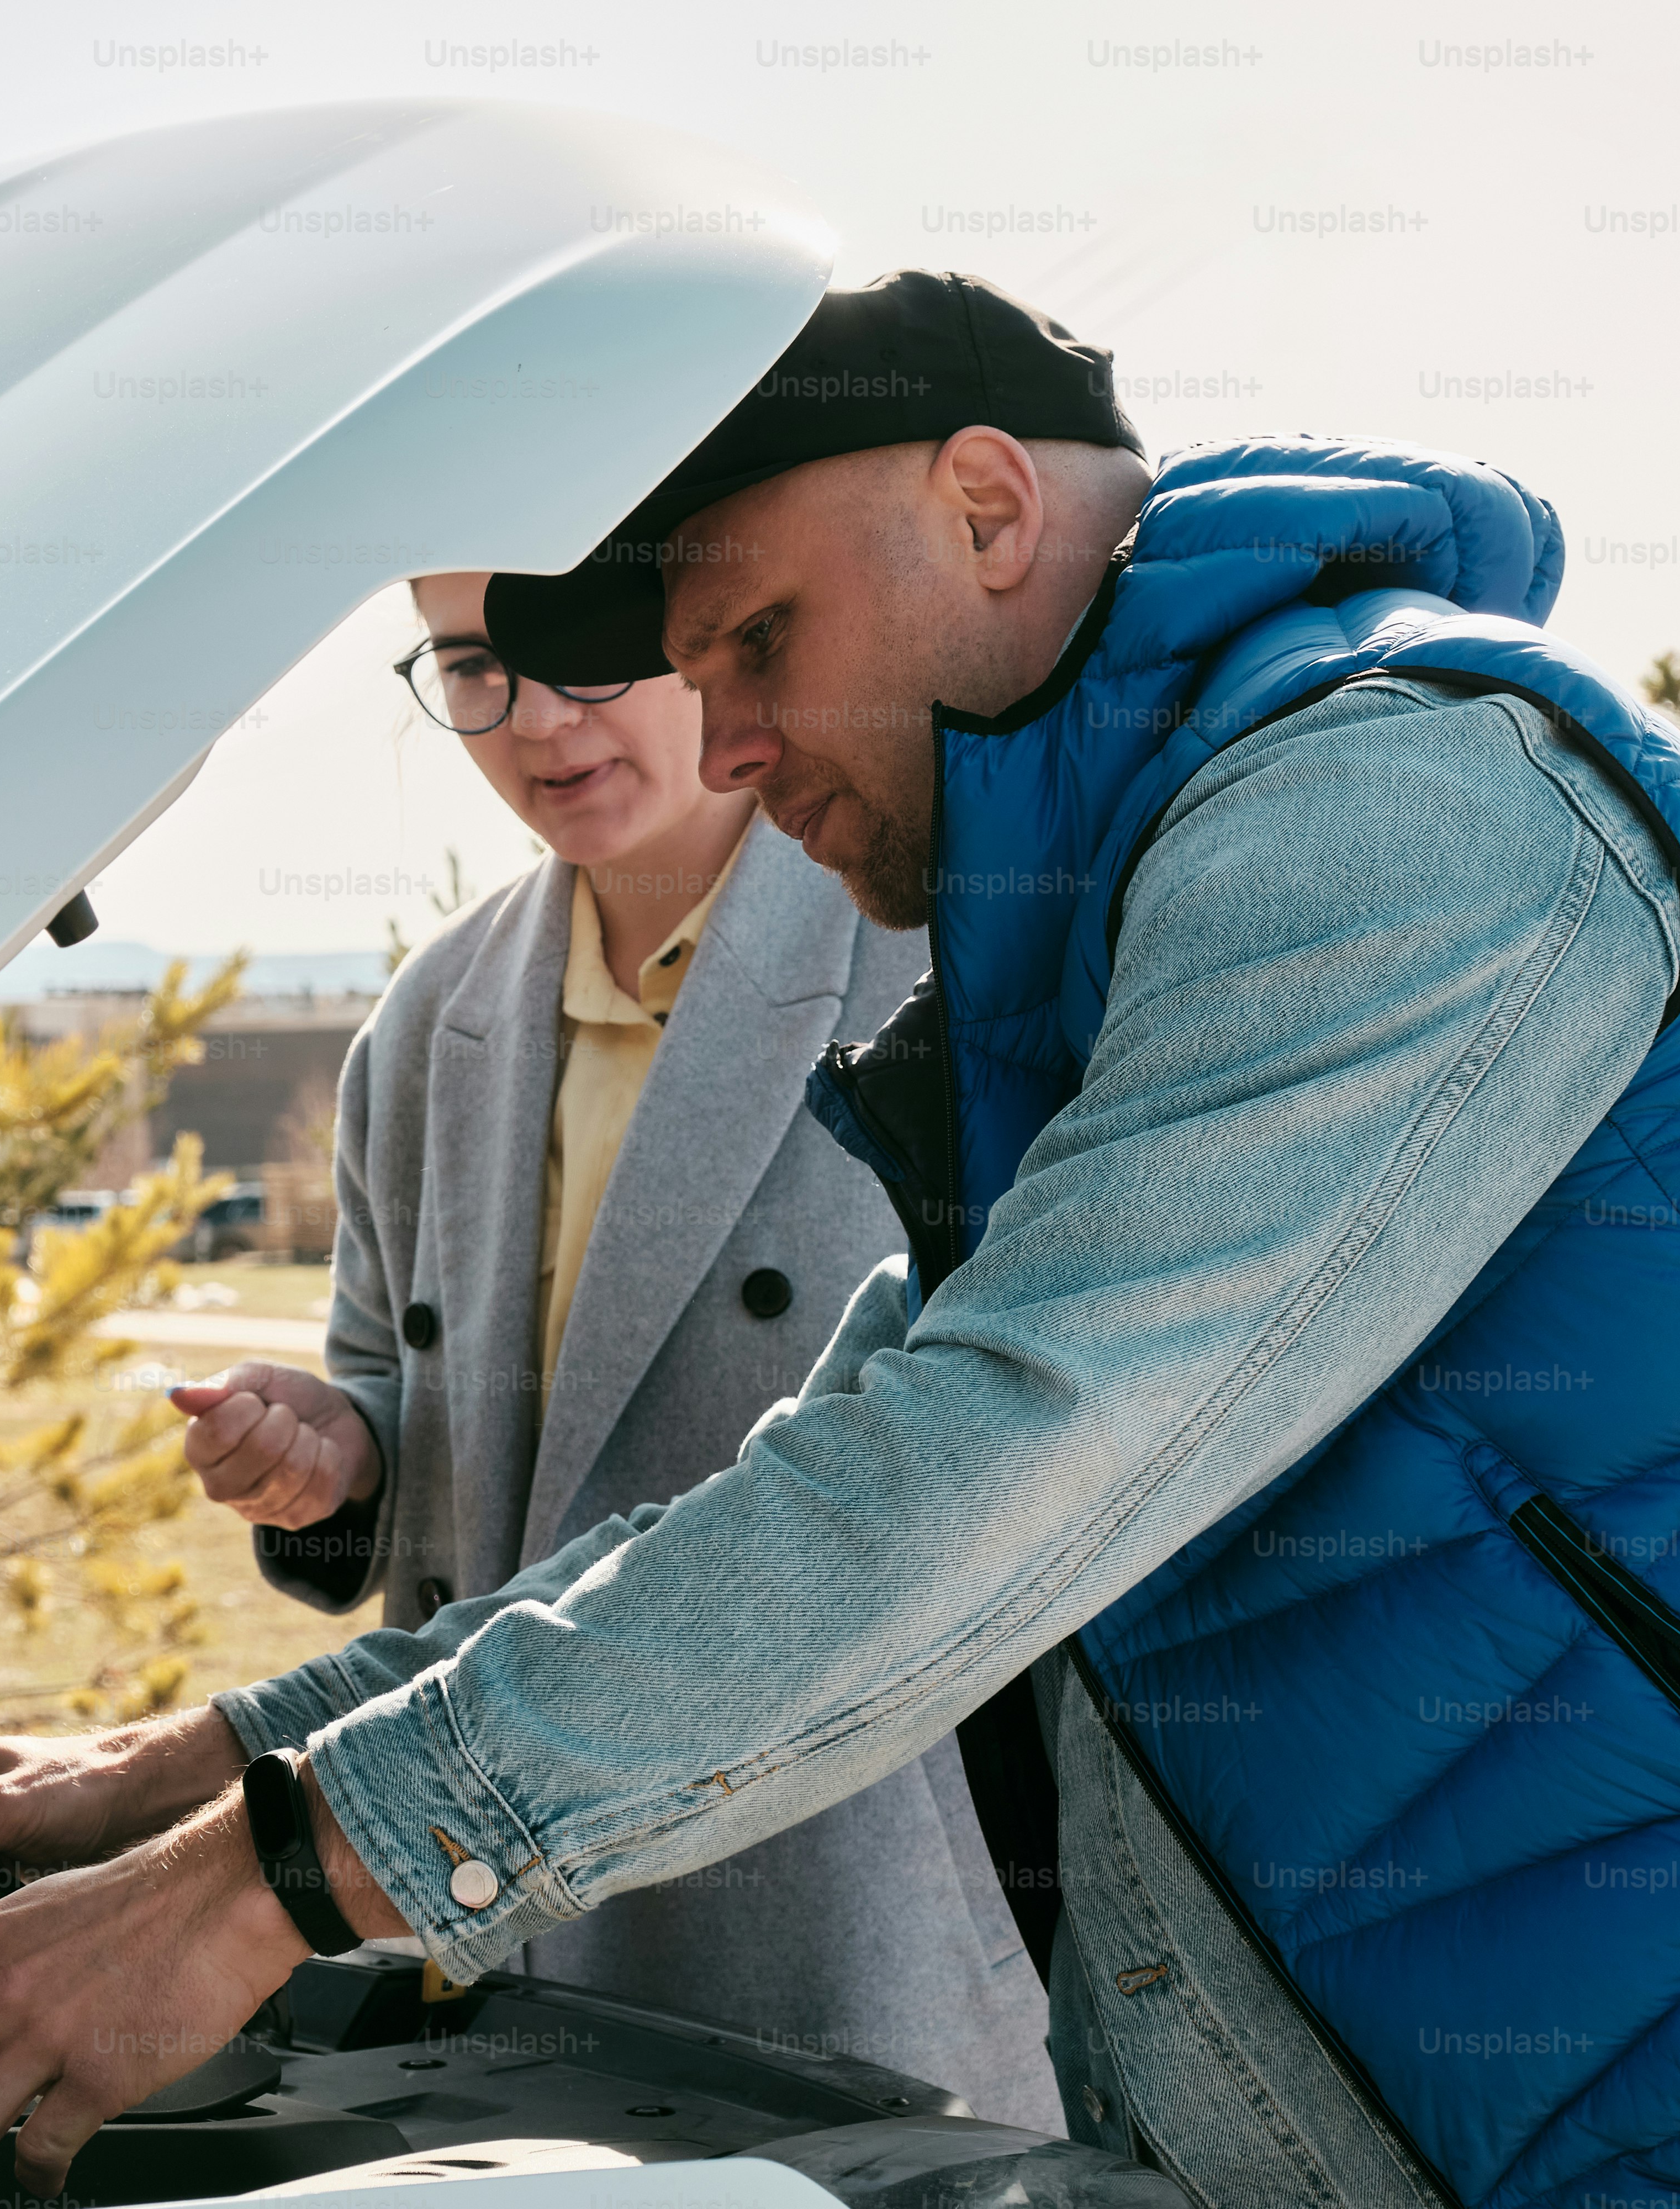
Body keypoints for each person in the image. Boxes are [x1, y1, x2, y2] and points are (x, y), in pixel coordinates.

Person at [0, 274, 1680, 2209]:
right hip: (1605, 2118)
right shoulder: (1101, 939)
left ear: (991, 508)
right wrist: (209, 1753)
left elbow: (992, 1470)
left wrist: (273, 1884)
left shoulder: (1411, 795)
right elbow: (783, 1489)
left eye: (756, 642)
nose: (731, 738)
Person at [156, 569, 1050, 2124]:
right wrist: (336, 1452)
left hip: (844, 1894)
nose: (540, 724)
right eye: (474, 668)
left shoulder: (934, 961)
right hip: (490, 1895)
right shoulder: (429, 1021)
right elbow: (397, 1393)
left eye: (586, 656)